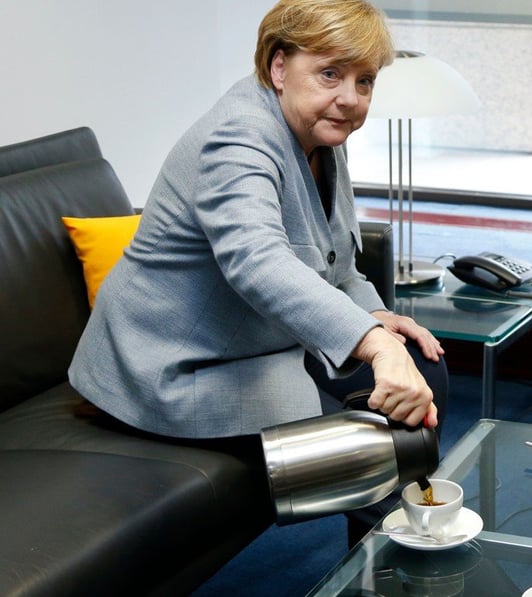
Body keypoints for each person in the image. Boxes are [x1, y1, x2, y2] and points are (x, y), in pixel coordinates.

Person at [69, 0, 447, 445]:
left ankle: (405, 515)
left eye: (364, 81)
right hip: (174, 368)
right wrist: (374, 343)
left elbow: (336, 262)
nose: (350, 97)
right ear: (279, 67)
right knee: (366, 441)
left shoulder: (321, 127)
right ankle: (396, 513)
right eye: (330, 74)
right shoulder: (239, 136)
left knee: (424, 367)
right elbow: (257, 261)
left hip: (257, 341)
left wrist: (377, 315)